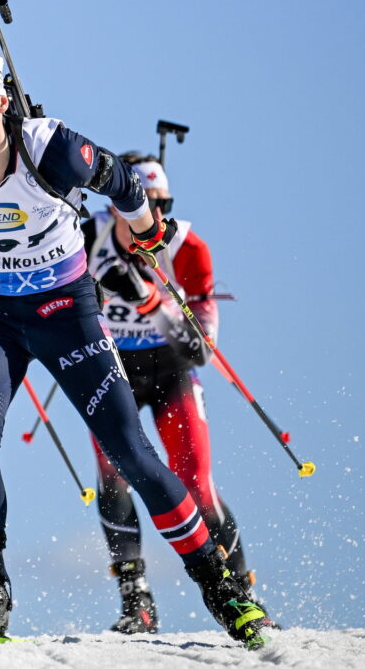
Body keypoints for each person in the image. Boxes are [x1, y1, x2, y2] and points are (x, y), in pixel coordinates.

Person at [0, 42, 273, 649]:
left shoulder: (47, 145)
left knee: (129, 451)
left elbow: (124, 181)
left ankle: (221, 588)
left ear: (1, 99)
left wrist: (143, 228)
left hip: (65, 312)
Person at [84, 153, 273, 634]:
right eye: (140, 205)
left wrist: (149, 298)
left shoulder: (187, 247)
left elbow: (200, 349)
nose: (153, 217)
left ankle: (243, 595)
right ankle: (136, 601)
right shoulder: (89, 237)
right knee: (114, 477)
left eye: (162, 205)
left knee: (195, 482)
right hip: (115, 368)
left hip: (171, 373)